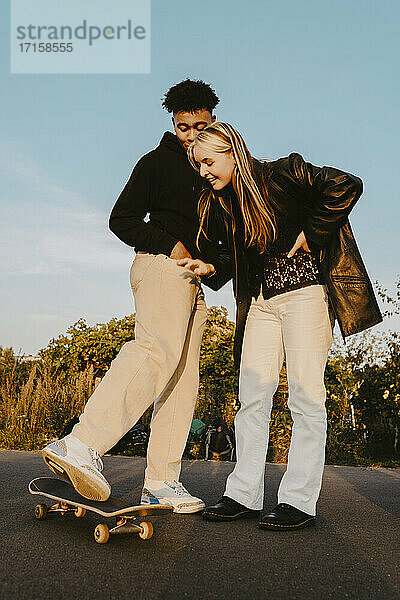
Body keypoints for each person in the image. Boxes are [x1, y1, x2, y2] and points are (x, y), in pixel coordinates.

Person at [177, 121, 382, 528]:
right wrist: (212, 266)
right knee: (251, 397)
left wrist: (313, 232)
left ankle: (298, 501)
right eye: (197, 164)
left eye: (207, 161)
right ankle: (243, 493)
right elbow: (245, 257)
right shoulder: (228, 202)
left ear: (232, 150)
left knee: (306, 399)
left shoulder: (283, 172)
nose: (202, 170)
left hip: (307, 296)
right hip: (261, 304)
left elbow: (347, 184)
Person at [41, 80, 231, 513]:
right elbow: (121, 219)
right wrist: (171, 245)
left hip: (192, 281)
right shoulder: (156, 164)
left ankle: (162, 481)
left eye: (199, 126)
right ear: (173, 123)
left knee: (182, 381)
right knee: (153, 352)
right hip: (162, 268)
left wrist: (212, 267)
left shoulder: (211, 168)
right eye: (183, 127)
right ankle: (82, 442)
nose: (190, 135)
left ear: (212, 119)